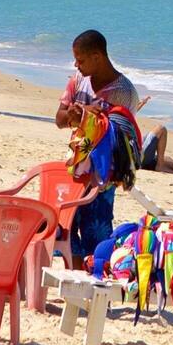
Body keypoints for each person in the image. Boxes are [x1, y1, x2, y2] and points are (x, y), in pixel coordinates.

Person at [58, 30, 138, 263]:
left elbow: (121, 138)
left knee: (97, 236)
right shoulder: (78, 80)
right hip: (75, 170)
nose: (76, 64)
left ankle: (92, 287)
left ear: (97, 57)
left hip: (104, 176)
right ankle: (74, 283)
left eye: (81, 60)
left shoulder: (123, 92)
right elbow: (59, 119)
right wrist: (73, 114)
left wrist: (91, 118)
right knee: (68, 230)